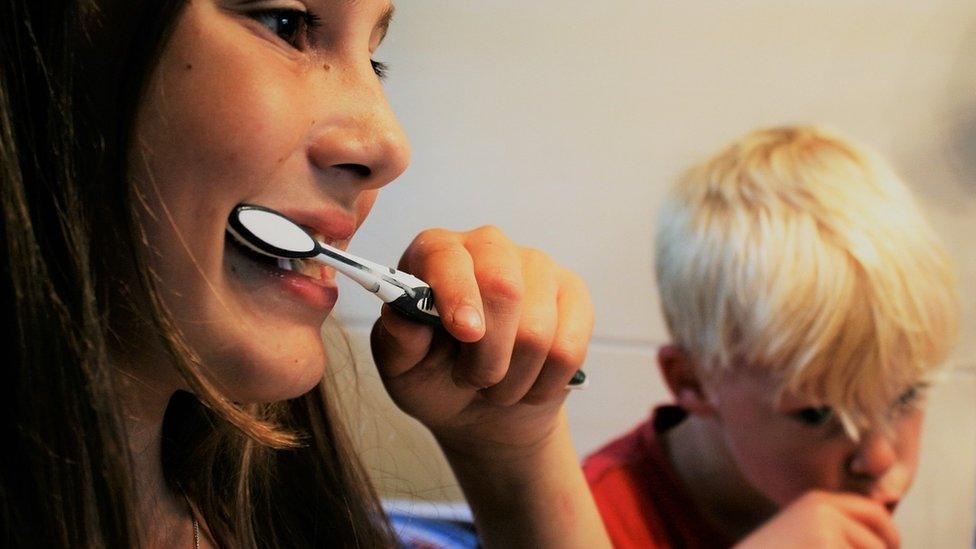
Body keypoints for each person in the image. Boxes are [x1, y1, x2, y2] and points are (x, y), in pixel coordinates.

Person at [0, 0, 611, 547]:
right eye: (285, 23)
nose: (389, 146)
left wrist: (512, 452)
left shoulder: (284, 512)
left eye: (375, 62)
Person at [583, 126, 959, 548]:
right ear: (691, 381)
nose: (880, 459)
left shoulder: (831, 501)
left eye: (907, 396)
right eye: (819, 413)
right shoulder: (585, 526)